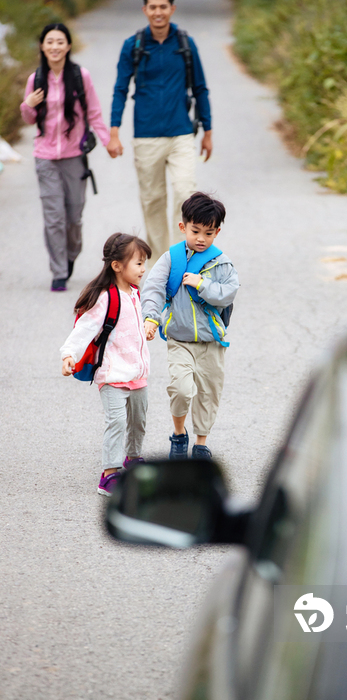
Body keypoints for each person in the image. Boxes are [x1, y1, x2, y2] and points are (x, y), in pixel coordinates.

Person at [108, 0, 213, 263]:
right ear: (145, 10)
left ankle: (182, 261)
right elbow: (120, 89)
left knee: (184, 192)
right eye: (152, 7)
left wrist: (208, 130)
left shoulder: (185, 44)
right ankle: (159, 265)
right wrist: (114, 132)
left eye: (163, 6)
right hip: (146, 135)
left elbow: (200, 87)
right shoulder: (133, 46)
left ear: (172, 9)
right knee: (153, 200)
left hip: (181, 133)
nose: (158, 12)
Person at [141, 192, 239, 460]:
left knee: (209, 392)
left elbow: (229, 292)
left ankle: (201, 443)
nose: (201, 238)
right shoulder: (171, 258)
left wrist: (202, 284)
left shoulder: (222, 263)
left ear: (217, 232)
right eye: (195, 231)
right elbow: (153, 288)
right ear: (183, 227)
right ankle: (179, 434)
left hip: (211, 342)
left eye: (208, 233)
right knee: (181, 389)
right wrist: (151, 318)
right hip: (179, 339)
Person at [20, 23, 110, 292]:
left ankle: (70, 255)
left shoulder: (80, 76)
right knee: (54, 217)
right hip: (45, 156)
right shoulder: (35, 79)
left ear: (68, 46)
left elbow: (93, 112)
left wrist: (108, 141)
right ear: (42, 46)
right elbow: (28, 118)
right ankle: (58, 271)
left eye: (60, 41)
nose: (55, 46)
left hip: (74, 156)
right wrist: (28, 105)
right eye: (50, 41)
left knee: (74, 217)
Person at [60, 233, 152, 495]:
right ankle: (109, 473)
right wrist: (69, 354)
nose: (143, 269)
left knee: (138, 422)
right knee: (117, 422)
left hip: (138, 374)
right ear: (117, 266)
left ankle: (133, 459)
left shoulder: (134, 293)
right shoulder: (105, 297)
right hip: (112, 374)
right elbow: (84, 329)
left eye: (144, 263)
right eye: (138, 263)